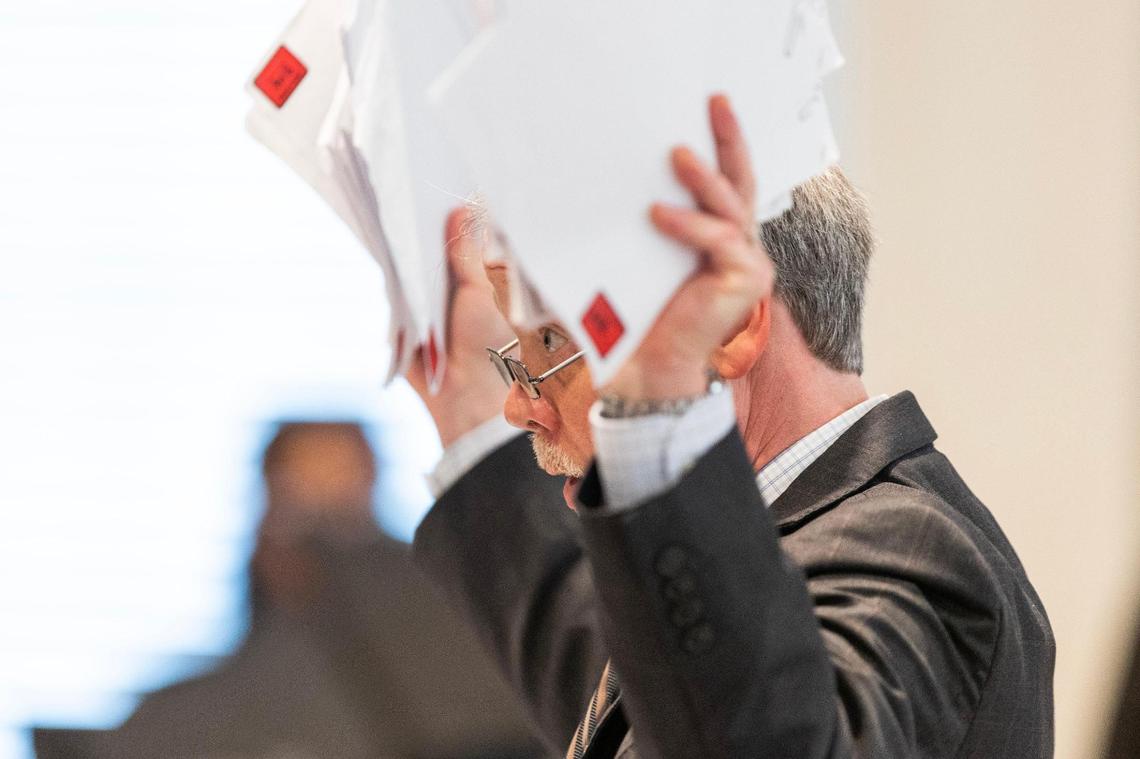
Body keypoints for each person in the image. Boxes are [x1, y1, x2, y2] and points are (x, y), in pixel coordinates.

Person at [408, 95, 1055, 758]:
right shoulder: (787, 550)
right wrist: (466, 403)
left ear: (731, 322)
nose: (523, 406)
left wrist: (656, 413)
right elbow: (647, 701)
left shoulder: (910, 555)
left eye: (550, 342)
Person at [98, 421, 544, 759]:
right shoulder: (196, 709)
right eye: (297, 506)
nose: (317, 538)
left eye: (340, 510)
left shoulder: (464, 629)